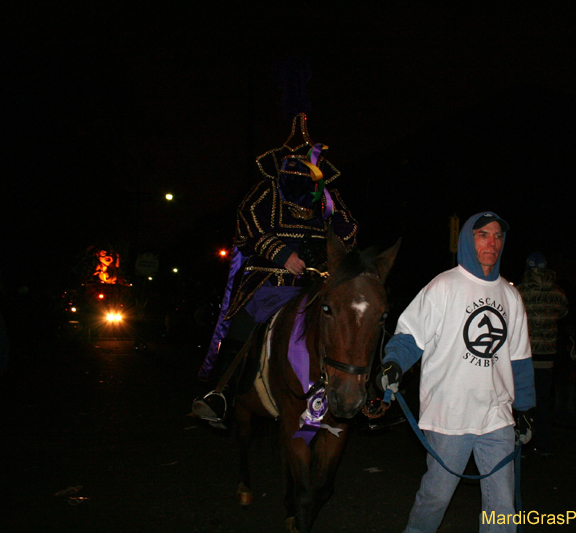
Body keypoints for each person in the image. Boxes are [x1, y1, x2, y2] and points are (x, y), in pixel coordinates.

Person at [192, 113, 358, 428]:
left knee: (352, 319)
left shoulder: (325, 196)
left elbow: (348, 233)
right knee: (243, 323)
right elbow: (248, 225)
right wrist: (282, 254)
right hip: (270, 279)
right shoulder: (265, 192)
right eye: (296, 164)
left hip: (314, 282)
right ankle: (222, 394)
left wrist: (334, 226)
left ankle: (362, 390)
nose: (302, 171)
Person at [376, 211, 534, 533]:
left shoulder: (511, 296)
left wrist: (525, 410)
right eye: (483, 235)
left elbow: (519, 358)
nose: (492, 242)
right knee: (436, 496)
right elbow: (410, 336)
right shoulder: (443, 286)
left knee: (503, 506)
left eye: (497, 236)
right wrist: (393, 364)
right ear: (468, 240)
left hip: (497, 417)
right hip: (450, 415)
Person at [516, 252, 568, 455]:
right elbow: (563, 313)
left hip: (525, 356)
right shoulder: (558, 293)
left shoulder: (520, 292)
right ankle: (545, 445)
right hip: (548, 356)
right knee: (543, 402)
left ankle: (523, 445)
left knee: (522, 402)